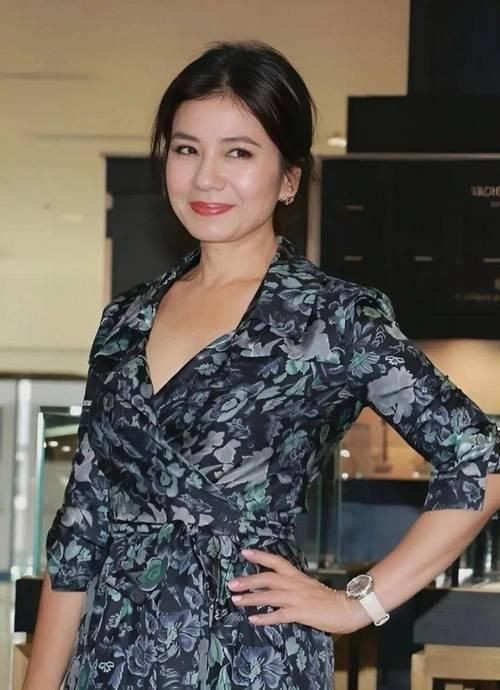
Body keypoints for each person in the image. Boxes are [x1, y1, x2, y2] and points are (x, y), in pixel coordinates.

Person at [23, 40, 500, 690]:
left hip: (249, 656)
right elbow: (82, 525)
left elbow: (480, 460)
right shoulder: (124, 320)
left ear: (289, 178)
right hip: (113, 657)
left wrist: (357, 603)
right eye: (186, 149)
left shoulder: (333, 318)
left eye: (238, 153)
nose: (205, 177)